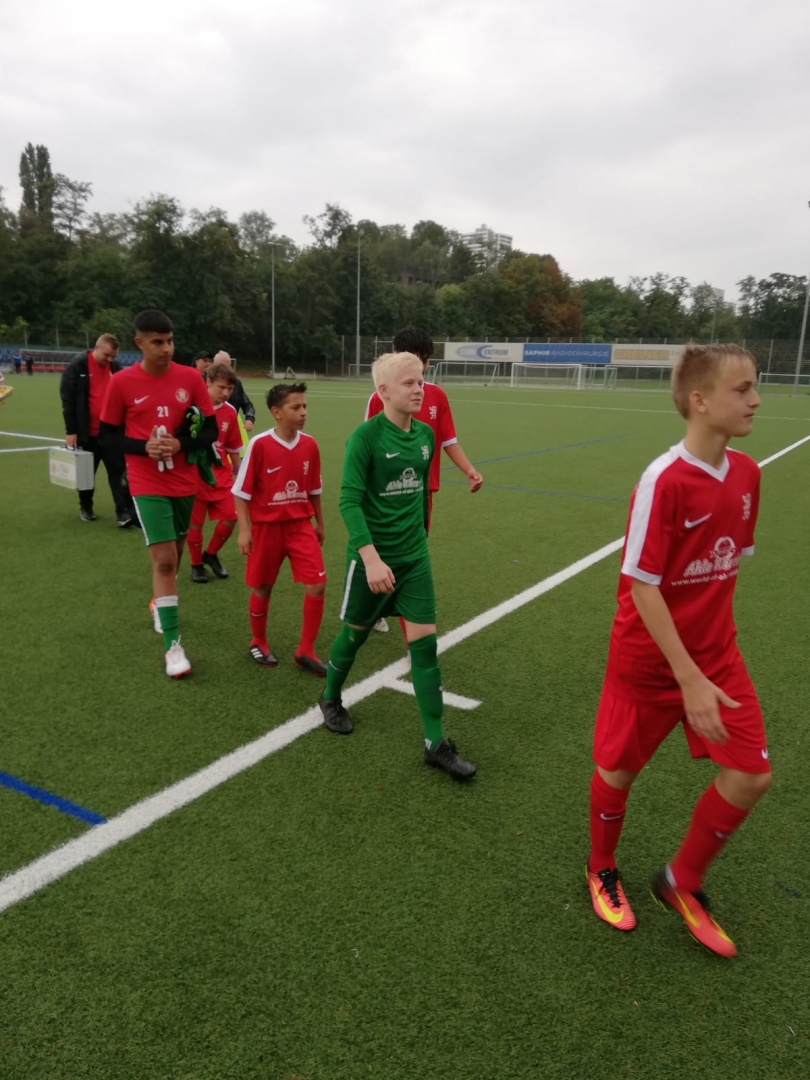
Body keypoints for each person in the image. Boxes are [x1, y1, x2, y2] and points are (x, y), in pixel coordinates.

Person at [586, 343, 768, 957]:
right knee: (619, 772)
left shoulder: (748, 474)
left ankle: (680, 880)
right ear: (700, 400)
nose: (755, 400)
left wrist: (705, 662)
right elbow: (642, 585)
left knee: (751, 775)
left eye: (754, 386)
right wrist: (686, 676)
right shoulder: (662, 480)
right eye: (742, 389)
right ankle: (601, 867)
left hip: (716, 658)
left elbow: (726, 566)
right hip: (648, 661)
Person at [319, 351, 476, 781]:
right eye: (409, 383)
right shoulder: (365, 438)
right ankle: (330, 696)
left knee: (425, 648)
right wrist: (371, 559)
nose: (419, 389)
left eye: (420, 381)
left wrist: (418, 541)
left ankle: (435, 744)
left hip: (414, 560)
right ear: (383, 391)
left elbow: (420, 494)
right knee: (353, 637)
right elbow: (349, 501)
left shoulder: (425, 435)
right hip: (372, 561)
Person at [98, 310, 216, 678]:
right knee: (164, 560)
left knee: (175, 554)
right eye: (157, 342)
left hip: (184, 481)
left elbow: (210, 430)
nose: (166, 348)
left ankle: (158, 603)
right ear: (139, 343)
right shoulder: (121, 382)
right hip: (146, 482)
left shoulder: (190, 378)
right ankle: (173, 648)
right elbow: (107, 437)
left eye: (170, 341)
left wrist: (178, 444)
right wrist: (143, 447)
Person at [364, 326, 483, 634]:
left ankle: (407, 609)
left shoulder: (437, 396)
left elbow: (448, 440)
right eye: (413, 358)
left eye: (425, 360)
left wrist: (469, 470)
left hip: (420, 493)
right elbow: (368, 445)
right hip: (385, 493)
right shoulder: (379, 397)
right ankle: (372, 607)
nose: (420, 366)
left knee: (412, 553)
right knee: (382, 550)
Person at [232, 382, 327, 674]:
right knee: (263, 586)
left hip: (300, 526)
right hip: (266, 528)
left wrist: (320, 523)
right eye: (295, 407)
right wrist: (244, 530)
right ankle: (258, 641)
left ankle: (305, 650)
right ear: (276, 412)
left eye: (305, 406)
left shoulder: (310, 444)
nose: (303, 412)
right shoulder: (259, 444)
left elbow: (314, 489)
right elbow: (241, 492)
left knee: (317, 583)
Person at [59, 334, 138, 526]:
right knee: (86, 474)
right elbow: (68, 400)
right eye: (107, 355)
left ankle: (123, 512)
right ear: (97, 347)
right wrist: (71, 431)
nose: (110, 359)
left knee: (118, 473)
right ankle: (86, 506)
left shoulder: (115, 368)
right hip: (87, 433)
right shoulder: (78, 367)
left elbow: (124, 397)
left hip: (112, 433)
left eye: (113, 356)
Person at [187, 361, 243, 583]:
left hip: (222, 477)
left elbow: (233, 448)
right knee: (195, 524)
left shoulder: (230, 412)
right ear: (208, 382)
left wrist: (241, 478)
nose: (226, 393)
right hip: (195, 477)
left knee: (231, 517)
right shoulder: (192, 409)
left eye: (230, 388)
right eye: (221, 387)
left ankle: (210, 554)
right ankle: (196, 565)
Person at [213, 350, 255, 440]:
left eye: (228, 367)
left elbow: (247, 404)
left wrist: (249, 418)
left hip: (231, 428)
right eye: (221, 367)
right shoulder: (204, 382)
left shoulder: (236, 384)